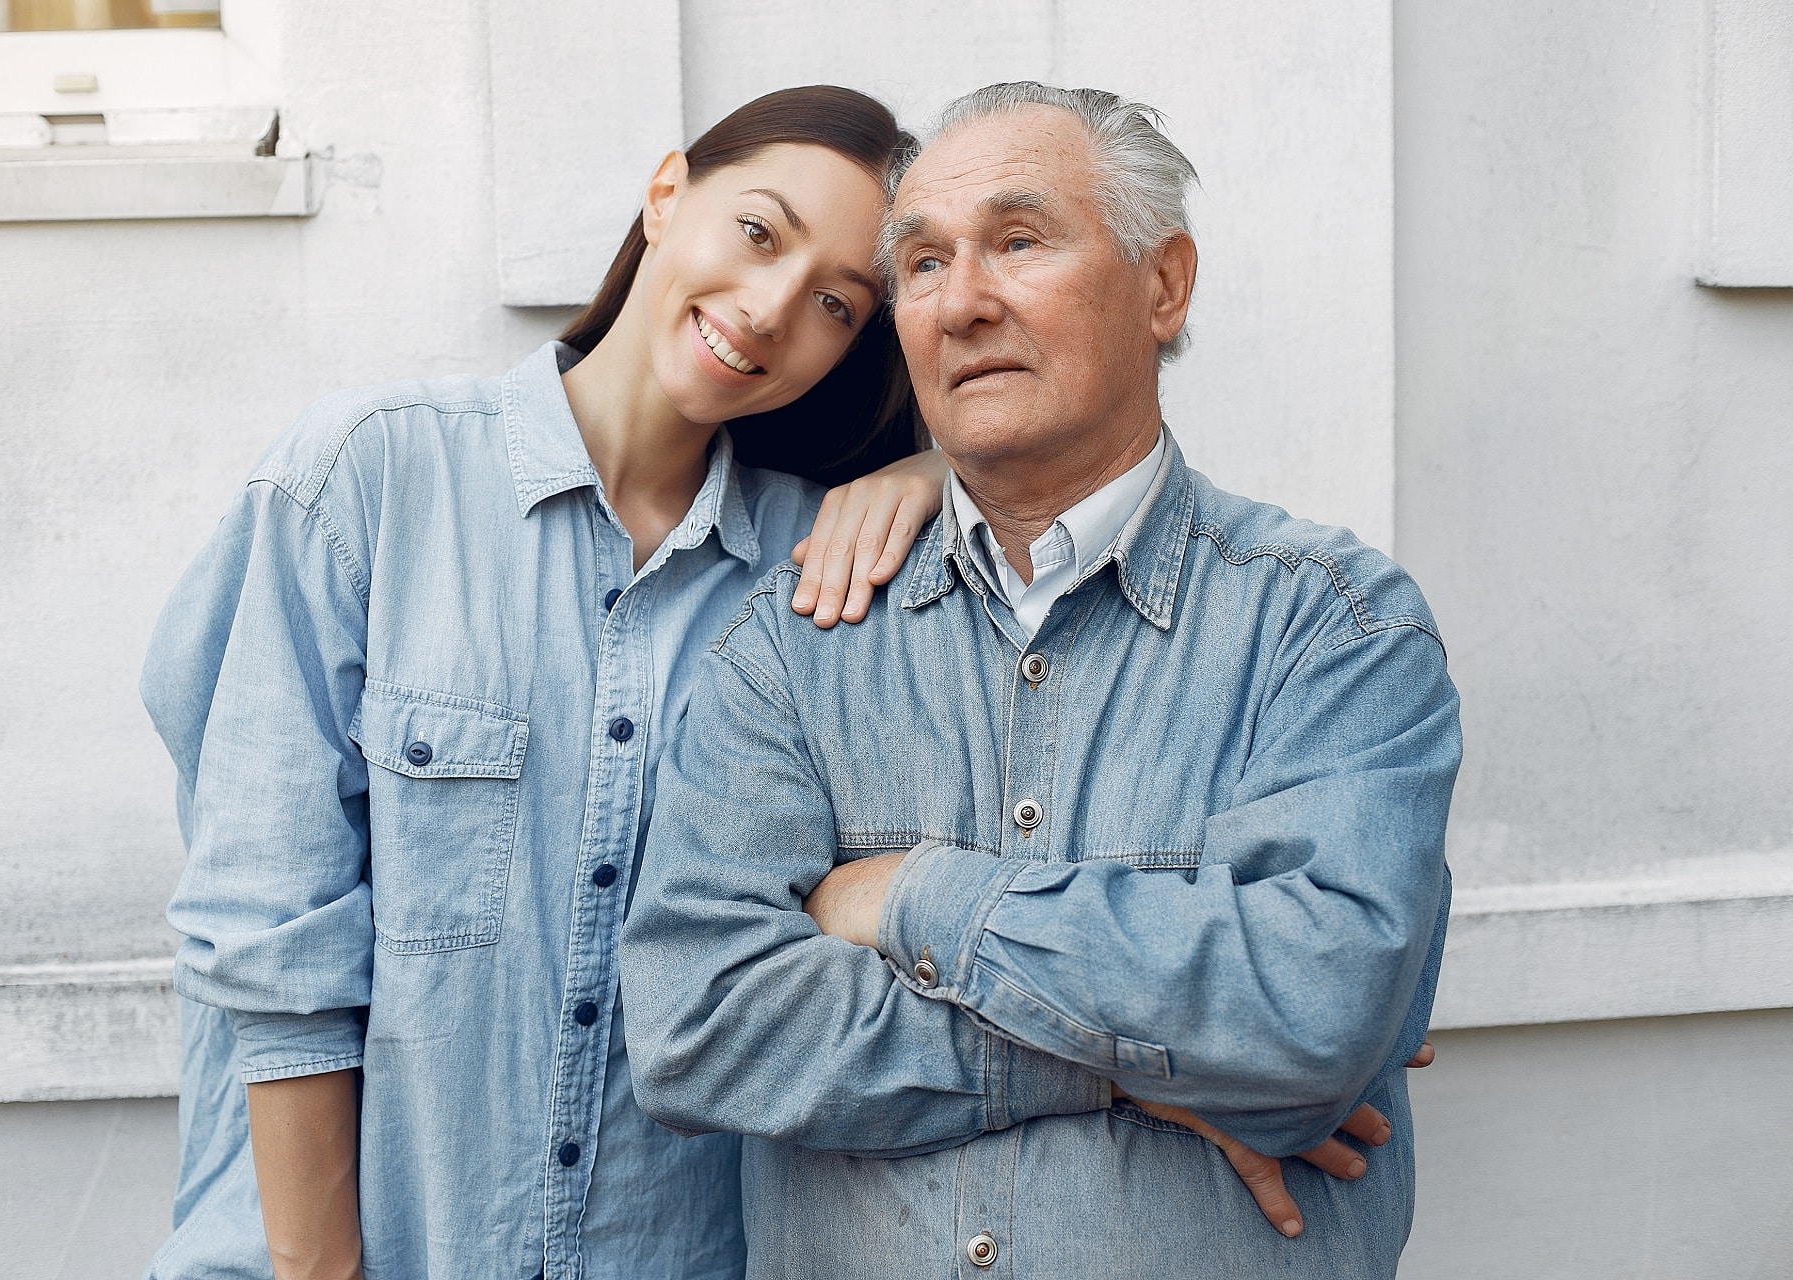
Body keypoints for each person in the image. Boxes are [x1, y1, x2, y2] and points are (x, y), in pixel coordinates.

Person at [619, 82, 1460, 1278]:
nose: (964, 301)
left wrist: (911, 894)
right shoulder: (793, 637)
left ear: (1163, 284)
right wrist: (1140, 1064)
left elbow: (1313, 1013)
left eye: (1019, 241)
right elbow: (698, 1023)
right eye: (920, 263)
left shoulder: (1331, 627)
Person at [139, 86, 953, 1280]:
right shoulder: (368, 480)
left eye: (837, 301)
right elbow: (268, 936)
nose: (773, 307)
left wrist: (943, 475)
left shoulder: (814, 575)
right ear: (668, 192)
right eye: (759, 232)